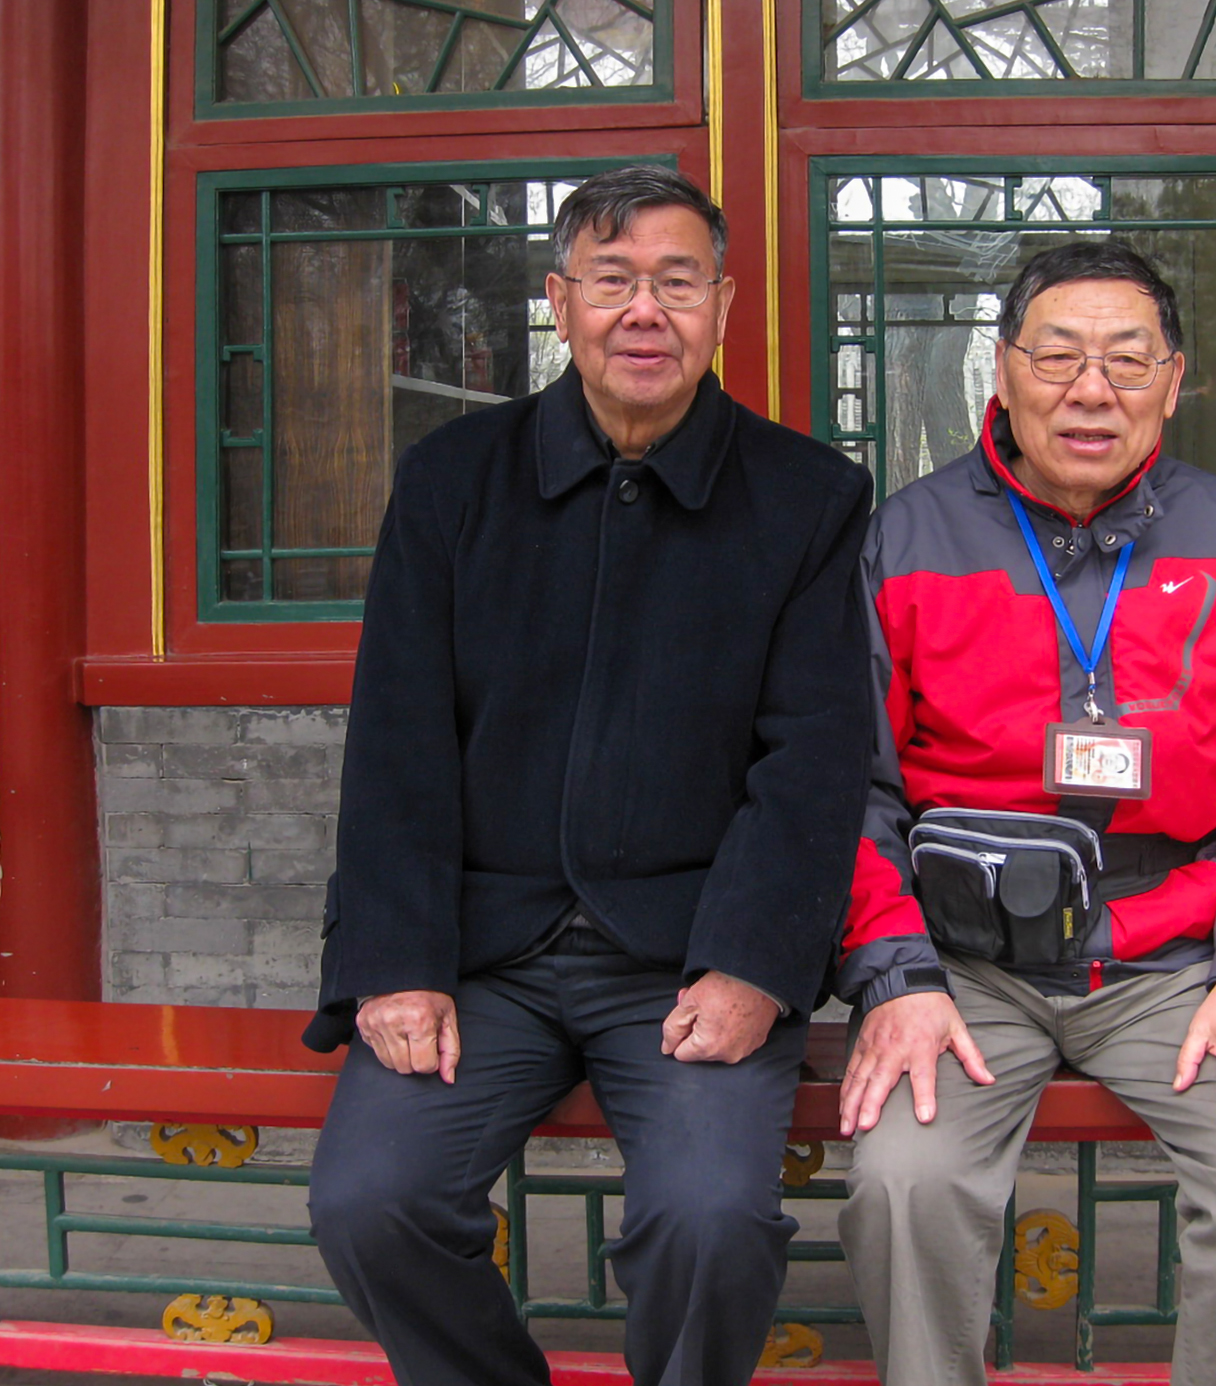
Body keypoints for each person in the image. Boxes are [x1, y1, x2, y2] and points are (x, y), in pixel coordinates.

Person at [303, 165, 874, 1386]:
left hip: (687, 956)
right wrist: (395, 962)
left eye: (677, 282)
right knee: (371, 1201)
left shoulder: (806, 498)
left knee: (711, 1225)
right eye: (611, 282)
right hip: (483, 953)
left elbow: (814, 760)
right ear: (559, 304)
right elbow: (397, 739)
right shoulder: (454, 477)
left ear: (722, 303)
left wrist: (754, 965)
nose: (644, 312)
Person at [834, 240, 1216, 1386]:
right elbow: (846, 789)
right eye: (1058, 357)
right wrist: (894, 977)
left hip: (1175, 958)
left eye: (1127, 361)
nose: (1091, 390)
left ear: (1171, 384)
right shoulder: (904, 539)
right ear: (1002, 370)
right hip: (962, 960)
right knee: (902, 1184)